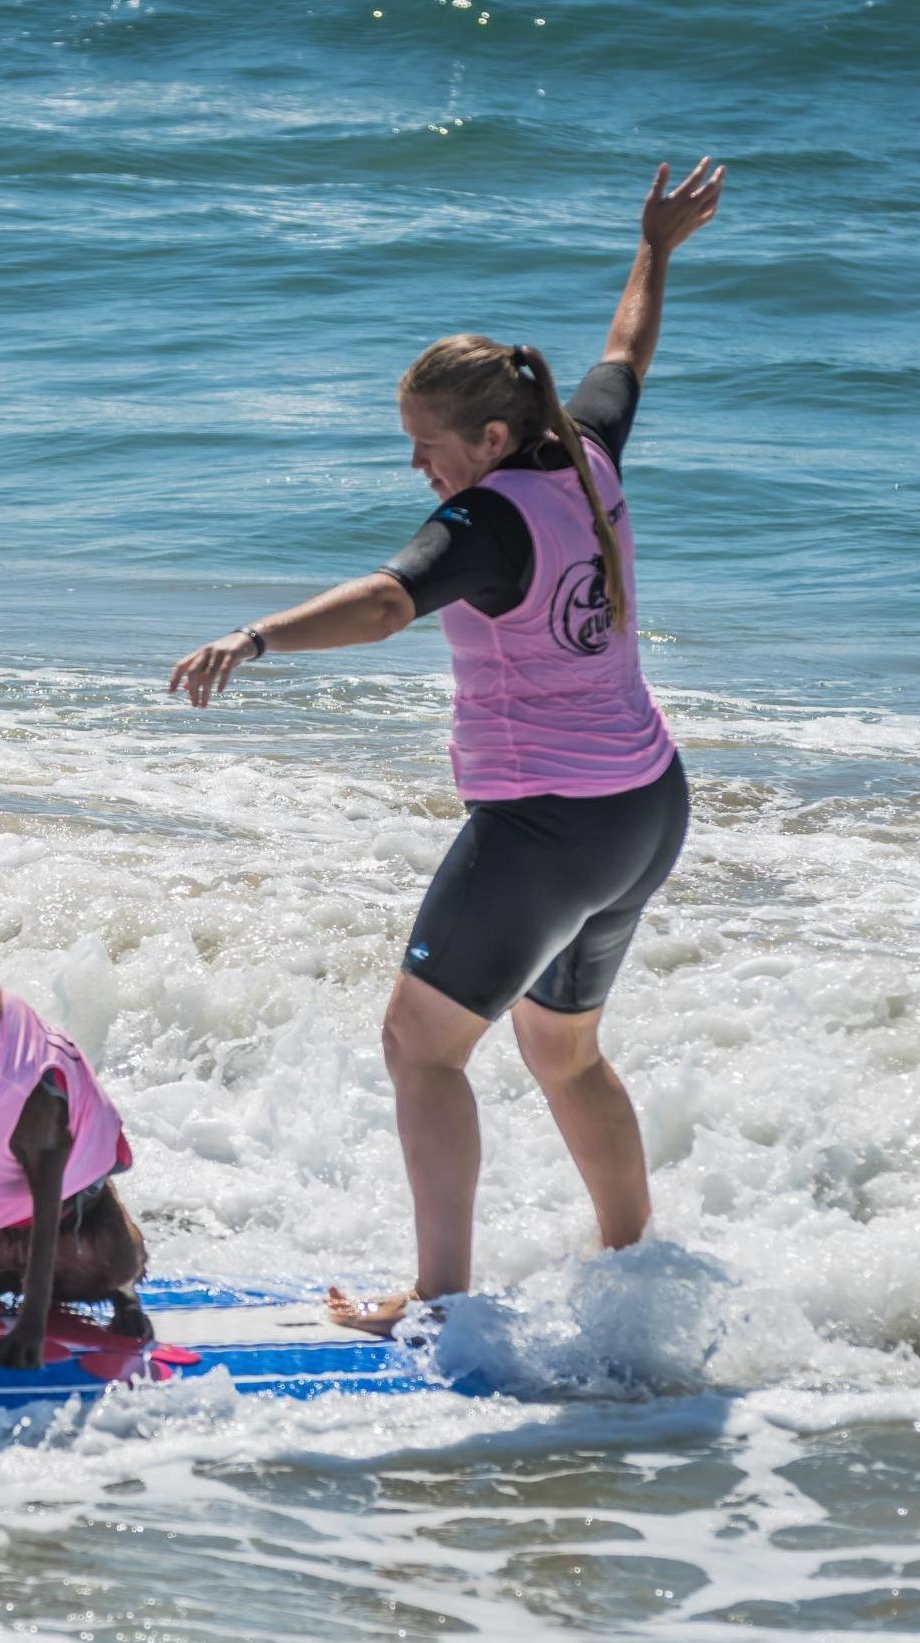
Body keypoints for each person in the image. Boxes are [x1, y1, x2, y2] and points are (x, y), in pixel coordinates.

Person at [167, 159, 726, 1333]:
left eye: (425, 445)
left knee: (418, 1043)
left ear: (484, 433)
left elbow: (382, 603)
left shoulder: (483, 521)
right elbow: (624, 356)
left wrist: (252, 637)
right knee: (561, 1052)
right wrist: (655, 248)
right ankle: (629, 1265)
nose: (416, 466)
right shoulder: (585, 450)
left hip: (546, 827)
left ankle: (435, 1300)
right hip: (642, 806)